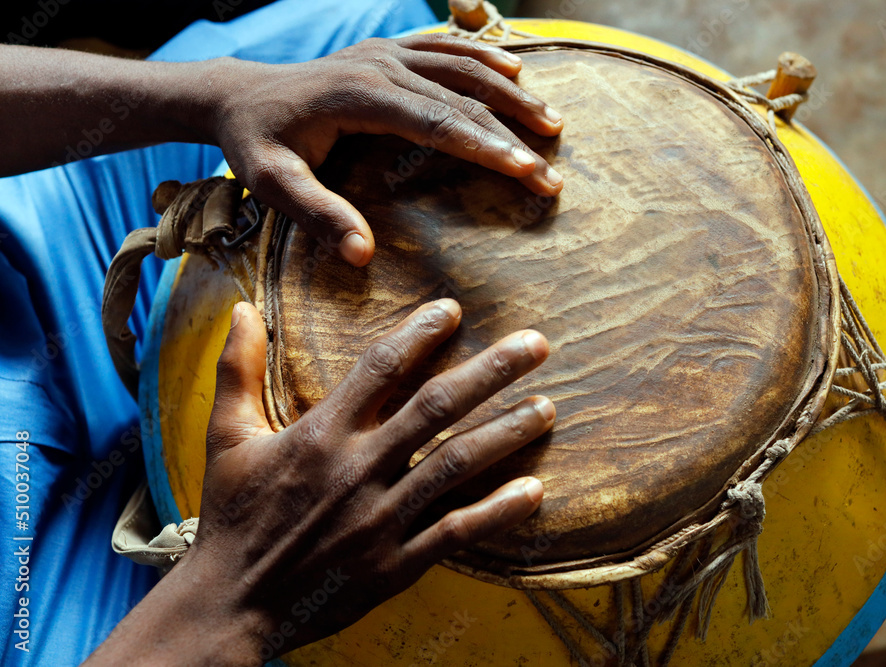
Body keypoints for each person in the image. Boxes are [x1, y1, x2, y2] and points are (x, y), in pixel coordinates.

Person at [0, 1, 564, 664]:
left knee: (374, 46)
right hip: (45, 604)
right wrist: (240, 591)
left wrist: (215, 95)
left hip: (42, 236)